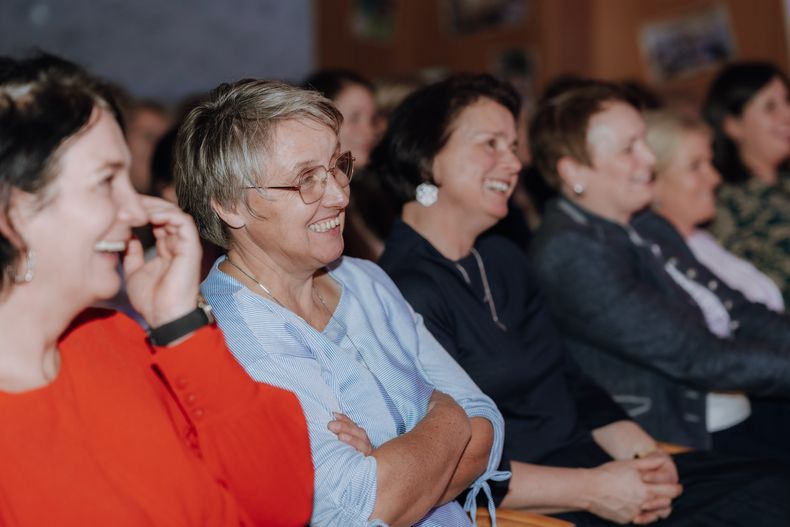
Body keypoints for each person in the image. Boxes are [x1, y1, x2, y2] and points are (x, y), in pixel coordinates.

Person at [377, 73, 790, 526]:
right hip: (541, 500)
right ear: (425, 157)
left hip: (597, 464)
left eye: (513, 146)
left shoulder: (500, 257)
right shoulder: (403, 288)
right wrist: (596, 490)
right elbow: (450, 464)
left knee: (775, 486)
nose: (512, 163)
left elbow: (573, 380)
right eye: (490, 143)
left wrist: (644, 452)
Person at [175, 78, 505, 527]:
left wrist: (392, 464)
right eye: (305, 179)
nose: (338, 194)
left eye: (337, 166)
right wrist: (445, 411)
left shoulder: (364, 279)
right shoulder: (231, 339)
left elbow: (485, 423)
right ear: (232, 205)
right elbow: (357, 509)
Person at [0, 54, 313, 525]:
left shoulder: (116, 341)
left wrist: (180, 323)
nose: (135, 209)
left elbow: (282, 506)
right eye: (106, 181)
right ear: (15, 210)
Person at [529, 81, 790, 459]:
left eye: (643, 142)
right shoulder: (570, 252)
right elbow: (697, 355)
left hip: (737, 412)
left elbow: (739, 311)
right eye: (628, 148)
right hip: (673, 444)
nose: (649, 158)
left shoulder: (646, 223)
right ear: (573, 171)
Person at [643, 109, 784, 311]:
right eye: (695, 166)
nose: (715, 178)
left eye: (709, 163)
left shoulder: (703, 241)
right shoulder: (658, 262)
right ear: (652, 182)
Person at [702, 61, 790, 306]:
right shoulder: (723, 203)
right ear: (733, 125)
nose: (787, 115)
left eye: (787, 102)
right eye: (770, 107)